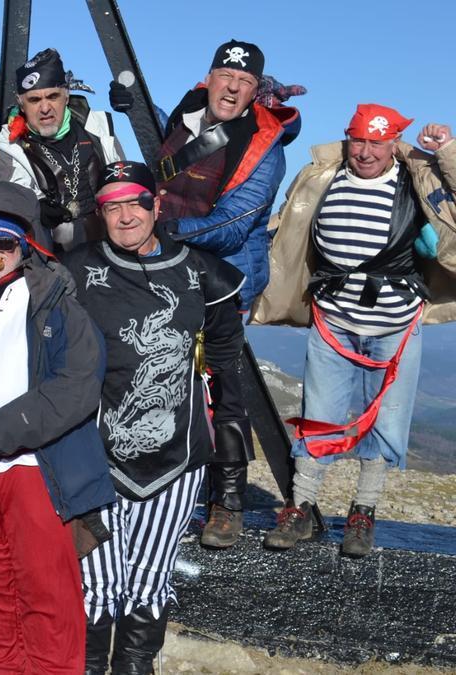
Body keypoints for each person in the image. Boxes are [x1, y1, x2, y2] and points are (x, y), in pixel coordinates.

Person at [111, 40, 299, 548]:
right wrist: (134, 107)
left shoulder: (266, 144)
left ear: (255, 91)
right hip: (166, 268)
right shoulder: (189, 112)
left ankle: (226, 503)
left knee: (222, 391)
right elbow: (171, 148)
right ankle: (160, 488)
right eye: (225, 76)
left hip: (221, 277)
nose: (232, 88)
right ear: (210, 77)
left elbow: (236, 221)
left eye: (244, 83)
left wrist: (159, 234)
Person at [63, 161, 247, 674]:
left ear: (156, 204)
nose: (125, 217)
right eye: (111, 207)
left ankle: (136, 667)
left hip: (176, 460)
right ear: (100, 214)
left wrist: (231, 477)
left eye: (135, 203)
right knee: (96, 581)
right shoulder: (73, 271)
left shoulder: (203, 273)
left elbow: (227, 372)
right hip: (93, 460)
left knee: (148, 578)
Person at [0, 182, 116, 673]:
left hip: (35, 467)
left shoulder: (55, 303)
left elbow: (77, 386)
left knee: (46, 594)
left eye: (4, 243)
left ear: (24, 245)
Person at [254, 109, 456, 557]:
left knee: (386, 420)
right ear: (347, 140)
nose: (365, 152)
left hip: (396, 323)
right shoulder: (322, 175)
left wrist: (446, 152)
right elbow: (287, 226)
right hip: (333, 319)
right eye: (358, 142)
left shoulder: (417, 179)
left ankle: (363, 512)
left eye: (377, 145)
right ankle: (300, 507)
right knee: (319, 414)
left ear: (394, 146)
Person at [0, 48, 124, 253]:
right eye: (34, 100)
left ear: (66, 96)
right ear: (21, 103)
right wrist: (36, 209)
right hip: (50, 260)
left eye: (52, 96)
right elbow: (8, 207)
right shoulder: (8, 147)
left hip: (109, 251)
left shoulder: (100, 129)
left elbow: (126, 186)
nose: (45, 108)